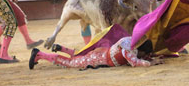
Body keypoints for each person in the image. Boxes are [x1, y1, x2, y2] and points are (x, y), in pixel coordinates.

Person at [29, 36, 163, 70]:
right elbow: (135, 62)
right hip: (97, 59)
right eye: (144, 54)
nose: (144, 56)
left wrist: (151, 57)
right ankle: (39, 54)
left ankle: (63, 48)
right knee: (70, 63)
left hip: (101, 53)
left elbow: (140, 55)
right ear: (140, 50)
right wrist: (151, 63)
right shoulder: (128, 50)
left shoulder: (131, 40)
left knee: (80, 56)